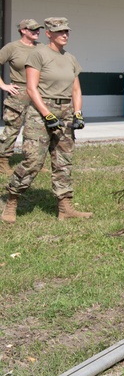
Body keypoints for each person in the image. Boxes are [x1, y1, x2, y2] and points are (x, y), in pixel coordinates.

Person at [2, 17, 91, 222]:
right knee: (33, 160)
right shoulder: (37, 55)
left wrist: (77, 113)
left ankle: (65, 207)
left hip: (65, 110)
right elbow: (32, 88)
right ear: (49, 33)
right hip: (41, 112)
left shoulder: (70, 58)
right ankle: (12, 200)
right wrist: (47, 114)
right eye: (59, 31)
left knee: (63, 160)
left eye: (67, 31)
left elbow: (76, 89)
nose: (64, 34)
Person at [0, 19, 43, 175]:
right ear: (23, 30)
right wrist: (4, 85)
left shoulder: (42, 48)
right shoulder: (12, 47)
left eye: (38, 29)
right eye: (32, 29)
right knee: (12, 128)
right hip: (19, 92)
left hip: (39, 92)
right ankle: (2, 161)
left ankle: (32, 161)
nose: (36, 32)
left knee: (36, 129)